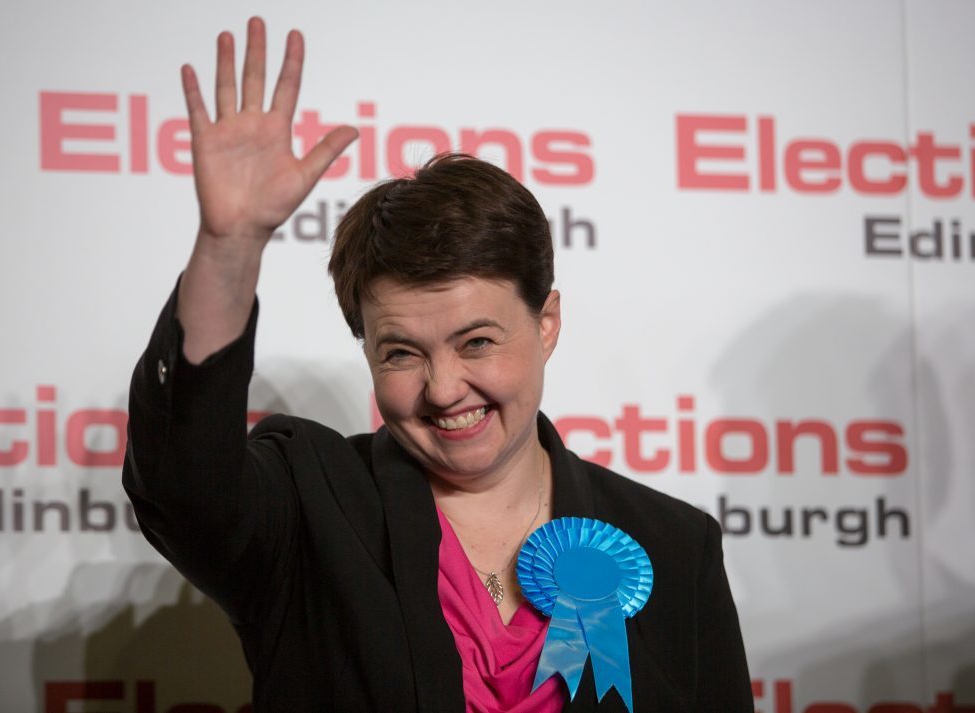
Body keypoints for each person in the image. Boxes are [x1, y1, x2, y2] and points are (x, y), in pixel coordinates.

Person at [123, 17, 753, 713]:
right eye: (401, 352)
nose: (444, 388)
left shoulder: (671, 545)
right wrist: (228, 247)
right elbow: (185, 486)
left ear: (546, 323)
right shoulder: (311, 504)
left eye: (477, 341)